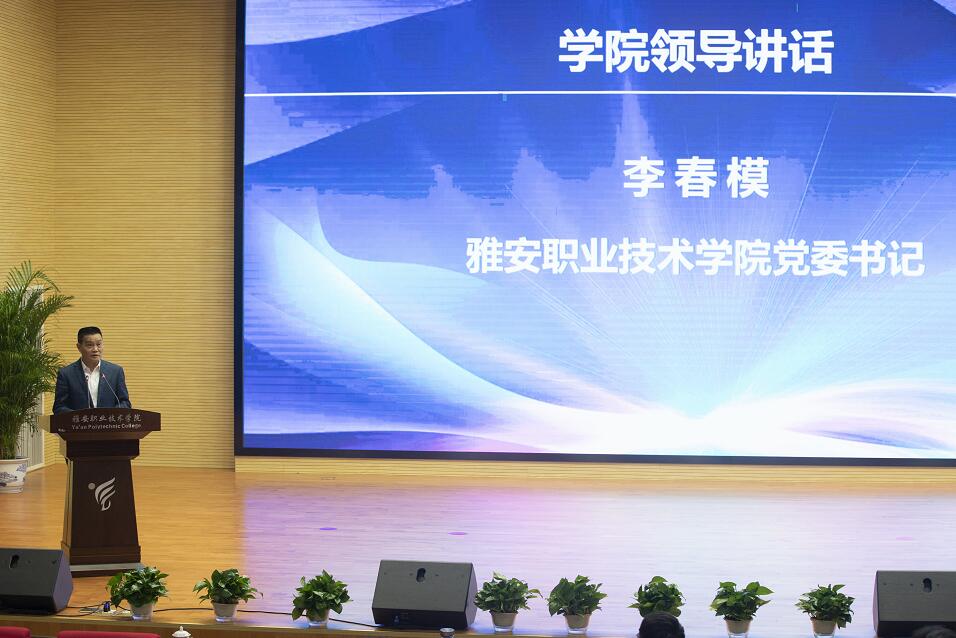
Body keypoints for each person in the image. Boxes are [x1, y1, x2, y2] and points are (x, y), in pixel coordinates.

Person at [53, 326, 131, 413]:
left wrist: (108, 415)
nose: (95, 349)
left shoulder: (115, 372)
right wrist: (80, 416)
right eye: (89, 345)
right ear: (79, 347)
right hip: (80, 421)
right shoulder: (66, 374)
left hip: (107, 421)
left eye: (99, 344)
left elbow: (125, 403)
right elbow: (59, 407)